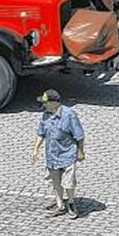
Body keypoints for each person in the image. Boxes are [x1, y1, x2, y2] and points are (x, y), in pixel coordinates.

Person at [30, 90, 86, 219]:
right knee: (55, 182)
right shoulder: (45, 115)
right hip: (52, 156)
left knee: (69, 182)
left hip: (67, 155)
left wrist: (81, 151)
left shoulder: (69, 115)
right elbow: (41, 133)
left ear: (54, 103)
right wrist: (35, 149)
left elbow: (79, 136)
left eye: (46, 102)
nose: (44, 105)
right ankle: (60, 204)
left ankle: (71, 203)